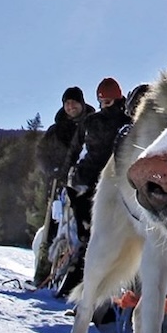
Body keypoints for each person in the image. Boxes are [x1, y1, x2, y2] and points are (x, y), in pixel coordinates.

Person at [58, 77, 131, 292]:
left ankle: (94, 282)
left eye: (110, 102)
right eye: (104, 102)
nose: (107, 106)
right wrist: (66, 174)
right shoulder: (93, 122)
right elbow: (75, 149)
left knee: (98, 236)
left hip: (106, 185)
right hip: (89, 184)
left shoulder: (124, 123)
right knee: (87, 235)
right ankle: (80, 280)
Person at [32, 87, 93, 287]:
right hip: (59, 183)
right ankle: (43, 273)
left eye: (74, 102)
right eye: (67, 103)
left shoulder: (92, 124)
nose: (71, 106)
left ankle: (75, 277)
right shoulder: (56, 129)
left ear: (82, 103)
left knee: (78, 229)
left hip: (83, 183)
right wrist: (52, 169)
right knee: (52, 228)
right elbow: (41, 153)